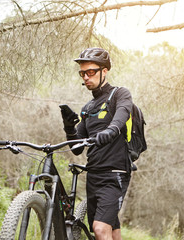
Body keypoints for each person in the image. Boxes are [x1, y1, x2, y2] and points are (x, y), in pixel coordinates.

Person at [60, 47, 133, 240]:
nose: (85, 77)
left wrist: (111, 130)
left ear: (104, 71)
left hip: (114, 173)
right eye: (82, 73)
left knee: (100, 228)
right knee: (110, 229)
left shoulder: (119, 94)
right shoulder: (88, 108)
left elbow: (122, 115)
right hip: (93, 174)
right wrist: (69, 128)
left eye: (90, 72)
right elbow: (77, 149)